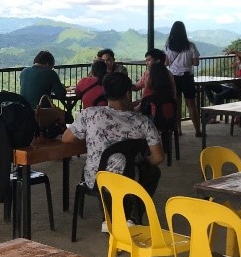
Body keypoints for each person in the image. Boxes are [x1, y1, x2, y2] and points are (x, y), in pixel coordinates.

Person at [62, 72, 164, 226]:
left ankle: (110, 218)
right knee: (152, 171)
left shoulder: (90, 114)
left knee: (96, 168)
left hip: (96, 180)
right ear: (128, 93)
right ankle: (132, 217)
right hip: (129, 180)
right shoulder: (143, 122)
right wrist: (143, 160)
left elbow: (66, 138)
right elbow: (158, 158)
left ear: (105, 92)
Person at [164, 21, 201, 136]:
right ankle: (197, 130)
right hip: (187, 77)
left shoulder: (168, 47)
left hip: (173, 78)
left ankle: (178, 130)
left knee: (177, 105)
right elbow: (196, 63)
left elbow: (166, 63)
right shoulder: (191, 45)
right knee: (192, 105)